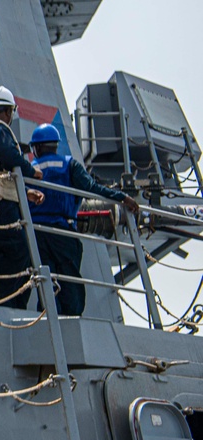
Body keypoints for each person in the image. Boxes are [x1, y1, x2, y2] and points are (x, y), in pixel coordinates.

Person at [29, 123, 140, 315]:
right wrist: (122, 197)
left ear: (36, 147)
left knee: (45, 280)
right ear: (56, 145)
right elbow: (92, 188)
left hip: (37, 233)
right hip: (63, 232)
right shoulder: (69, 164)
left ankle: (48, 316)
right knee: (70, 279)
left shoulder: (30, 167)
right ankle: (71, 317)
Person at [0, 86, 44, 308]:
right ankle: (4, 299)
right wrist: (31, 170)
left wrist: (25, 193)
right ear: (7, 112)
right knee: (20, 251)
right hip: (0, 207)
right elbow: (8, 156)